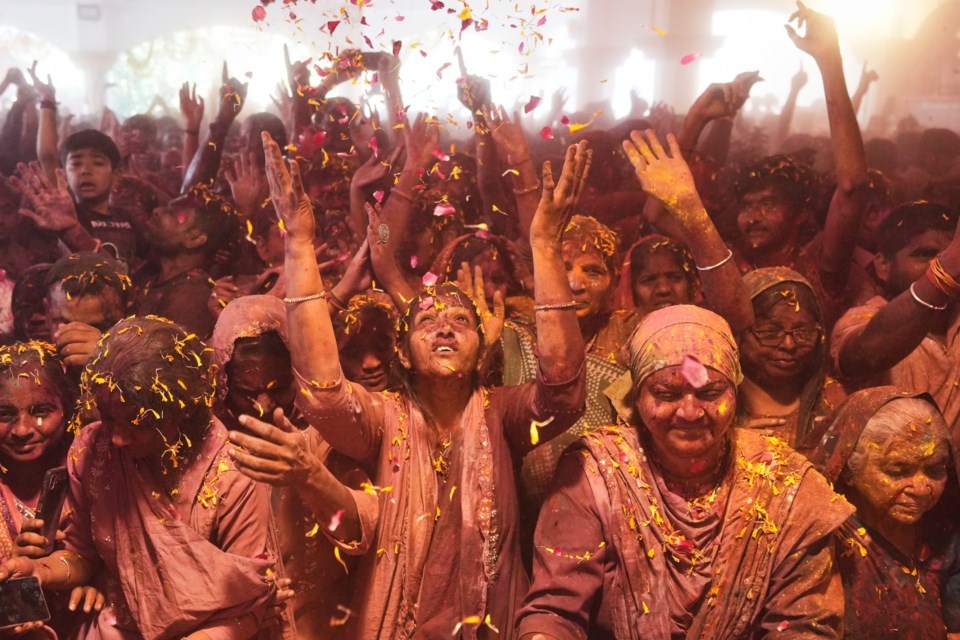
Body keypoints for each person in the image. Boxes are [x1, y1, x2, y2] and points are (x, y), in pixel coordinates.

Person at [258, 128, 587, 638]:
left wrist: (543, 244)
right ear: (405, 357)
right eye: (426, 322)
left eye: (461, 320)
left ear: (483, 352)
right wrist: (299, 243)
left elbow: (564, 389)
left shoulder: (504, 414)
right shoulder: (383, 417)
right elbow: (323, 395)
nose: (444, 327)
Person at [516, 305, 854, 639]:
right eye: (666, 394)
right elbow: (556, 610)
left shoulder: (784, 483)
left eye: (709, 393)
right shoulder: (598, 472)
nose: (690, 412)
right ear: (637, 394)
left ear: (735, 393)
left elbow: (804, 624)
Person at [0, 316, 288, 640]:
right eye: (109, 418)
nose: (119, 439)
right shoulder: (94, 447)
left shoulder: (233, 475)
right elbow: (82, 555)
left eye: (138, 423)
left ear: (182, 411)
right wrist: (41, 572)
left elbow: (250, 603)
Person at [210, 295, 374, 640]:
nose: (264, 405)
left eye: (280, 387)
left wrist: (309, 476)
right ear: (222, 382)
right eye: (245, 391)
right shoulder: (207, 447)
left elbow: (362, 531)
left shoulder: (331, 433)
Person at [806, 387, 960, 638]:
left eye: (935, 470)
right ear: (848, 469)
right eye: (898, 471)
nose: (922, 489)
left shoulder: (943, 530)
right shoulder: (820, 538)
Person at [831, 202, 960, 430]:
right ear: (883, 265)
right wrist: (945, 269)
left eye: (948, 256)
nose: (939, 264)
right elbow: (866, 355)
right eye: (926, 255)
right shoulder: (861, 318)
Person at [738, 267, 846, 449]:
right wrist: (728, 447)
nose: (789, 344)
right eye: (770, 332)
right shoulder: (713, 400)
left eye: (803, 332)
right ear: (739, 333)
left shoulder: (833, 399)